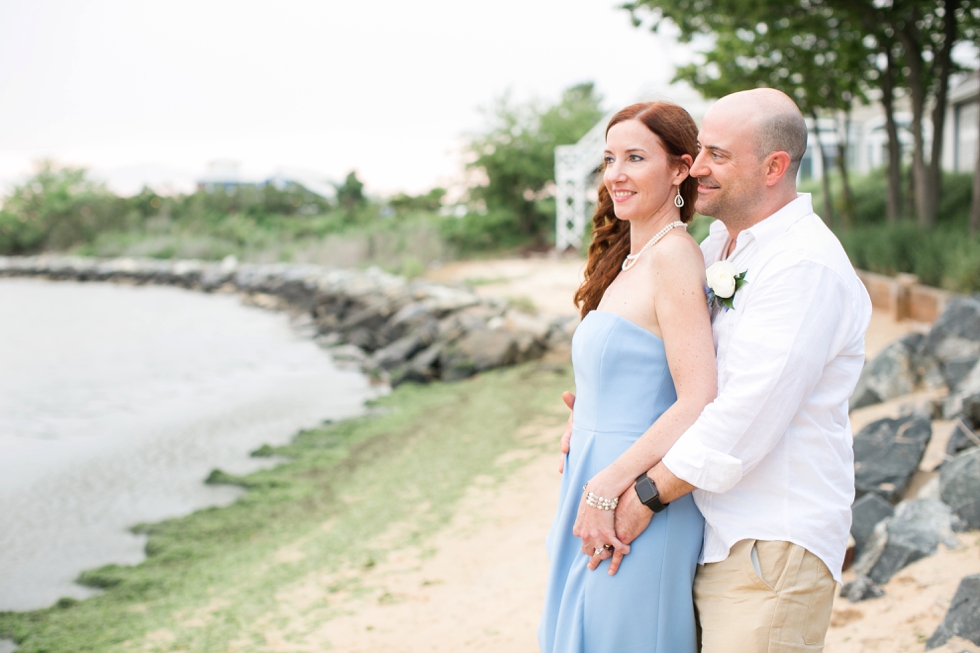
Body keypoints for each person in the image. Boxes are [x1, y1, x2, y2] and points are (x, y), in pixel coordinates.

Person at [561, 88, 873, 653]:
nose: (697, 166)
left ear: (774, 167)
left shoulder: (803, 266)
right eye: (700, 149)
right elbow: (672, 367)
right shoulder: (717, 250)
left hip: (770, 544)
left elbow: (742, 416)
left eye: (718, 155)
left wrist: (638, 495)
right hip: (711, 531)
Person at [538, 101, 717, 653]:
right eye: (610, 158)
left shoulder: (675, 257)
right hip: (592, 478)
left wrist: (608, 485)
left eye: (636, 157)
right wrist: (583, 414)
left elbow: (698, 396)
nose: (616, 173)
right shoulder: (628, 263)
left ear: (680, 169)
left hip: (629, 489)